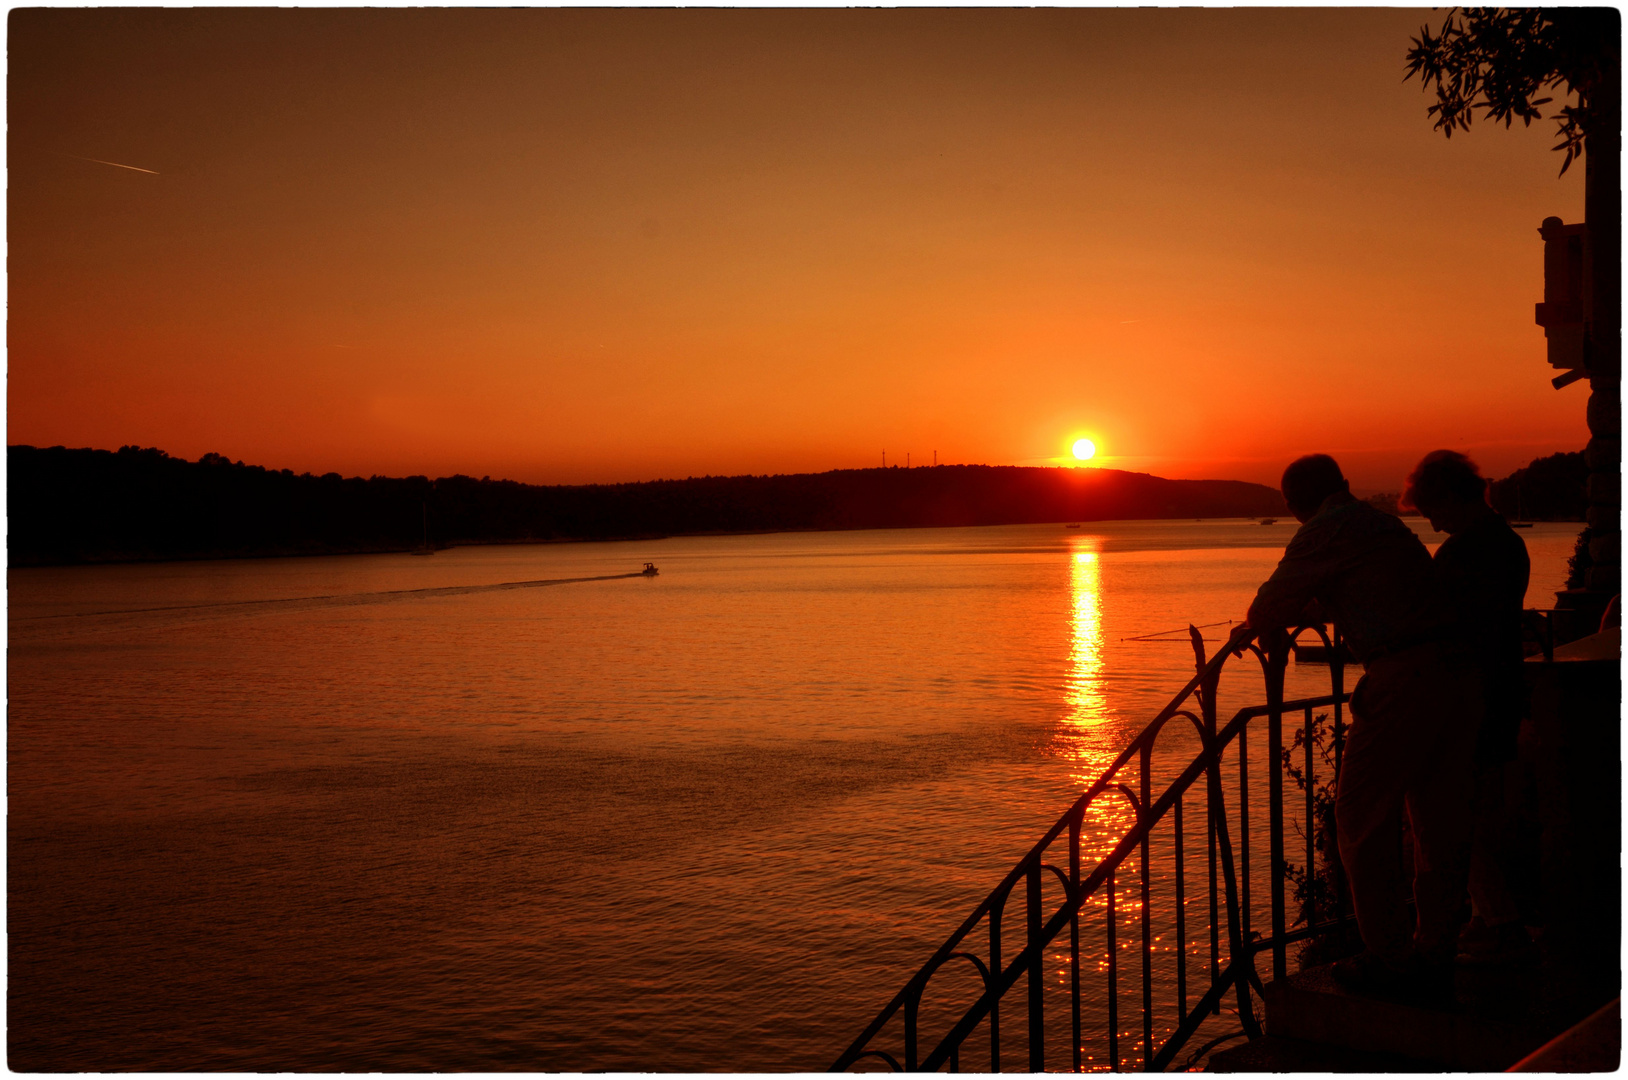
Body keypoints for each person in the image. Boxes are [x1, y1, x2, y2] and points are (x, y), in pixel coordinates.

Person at [1238, 454, 1480, 996]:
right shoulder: (1379, 523)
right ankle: (1434, 948)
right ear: (1342, 485)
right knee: (1437, 820)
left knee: (1360, 820)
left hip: (1401, 675)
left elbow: (1268, 607)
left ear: (1294, 504)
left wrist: (1269, 623)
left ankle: (1390, 957)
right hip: (1456, 671)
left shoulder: (1323, 531)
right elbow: (1371, 588)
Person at [1399, 450, 1533, 964]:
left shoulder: (1463, 554)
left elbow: (1435, 622)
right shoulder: (1510, 543)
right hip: (1500, 688)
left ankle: (1497, 920)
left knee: (1448, 815)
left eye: (1433, 511)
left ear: (1452, 498)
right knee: (1479, 810)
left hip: (1464, 696)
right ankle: (1487, 916)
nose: (1433, 524)